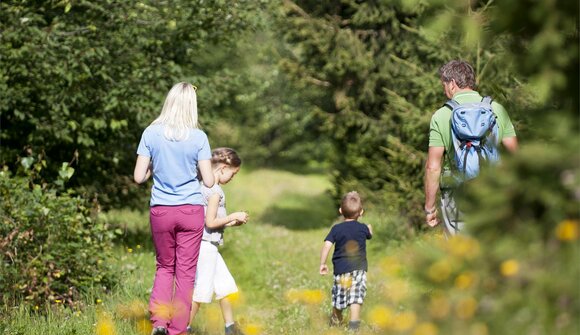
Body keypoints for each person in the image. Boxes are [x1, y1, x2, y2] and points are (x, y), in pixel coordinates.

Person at [134, 82, 215, 335]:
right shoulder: (199, 137)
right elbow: (210, 181)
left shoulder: (150, 133)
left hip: (161, 209)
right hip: (191, 210)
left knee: (164, 266)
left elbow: (138, 177)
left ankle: (159, 322)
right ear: (192, 105)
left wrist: (154, 168)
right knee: (186, 272)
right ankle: (178, 330)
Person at [424, 60, 518, 235]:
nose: (444, 90)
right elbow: (515, 154)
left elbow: (433, 167)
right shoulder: (496, 109)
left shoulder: (442, 115)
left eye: (444, 85)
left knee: (460, 252)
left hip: (456, 193)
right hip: (493, 189)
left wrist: (430, 208)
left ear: (452, 84)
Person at [188, 147, 249, 335]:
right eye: (233, 173)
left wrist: (231, 223)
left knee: (225, 285)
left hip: (207, 244)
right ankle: (182, 329)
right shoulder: (214, 191)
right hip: (206, 248)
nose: (233, 177)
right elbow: (211, 222)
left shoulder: (202, 186)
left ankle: (231, 327)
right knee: (201, 292)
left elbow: (209, 223)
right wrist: (232, 216)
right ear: (222, 168)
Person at [319, 191, 373, 332]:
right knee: (356, 297)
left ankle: (335, 320)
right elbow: (369, 235)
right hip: (359, 268)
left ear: (341, 211)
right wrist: (370, 230)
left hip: (341, 270)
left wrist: (323, 263)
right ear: (361, 212)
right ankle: (354, 325)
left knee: (339, 298)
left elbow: (327, 245)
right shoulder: (363, 228)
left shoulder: (336, 229)